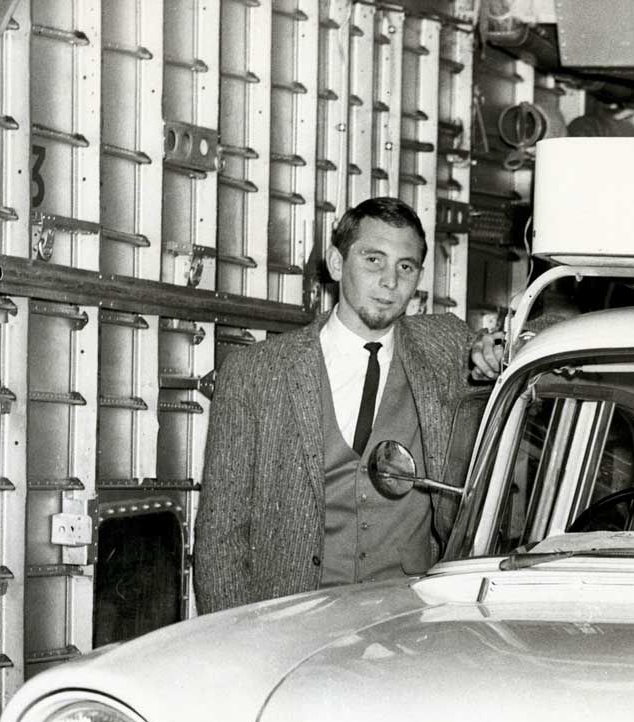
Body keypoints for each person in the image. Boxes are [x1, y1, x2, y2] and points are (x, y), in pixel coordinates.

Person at [193, 196, 506, 613]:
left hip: (410, 618)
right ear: (337, 264)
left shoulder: (444, 348)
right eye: (374, 260)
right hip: (293, 620)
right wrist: (238, 637)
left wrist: (502, 345)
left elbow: (550, 329)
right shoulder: (256, 371)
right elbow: (220, 535)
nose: (390, 282)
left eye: (406, 267)